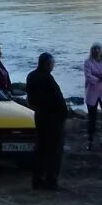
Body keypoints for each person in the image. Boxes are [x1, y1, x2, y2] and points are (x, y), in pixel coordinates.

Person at [26, 52, 68, 190]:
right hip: (52, 119)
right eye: (52, 63)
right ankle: (51, 180)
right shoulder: (46, 78)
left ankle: (37, 179)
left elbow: (31, 99)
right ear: (47, 64)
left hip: (41, 116)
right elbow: (55, 99)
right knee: (54, 151)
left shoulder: (32, 76)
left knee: (41, 149)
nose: (53, 65)